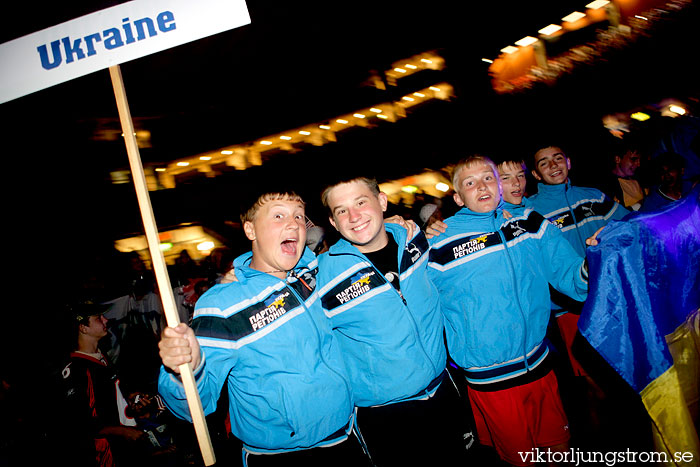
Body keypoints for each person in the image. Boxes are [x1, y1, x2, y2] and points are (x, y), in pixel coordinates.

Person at [157, 189, 371, 467]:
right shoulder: (223, 304)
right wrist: (184, 369)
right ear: (250, 229)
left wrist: (397, 224)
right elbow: (193, 406)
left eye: (298, 216)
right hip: (284, 456)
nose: (293, 223)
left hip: (347, 436)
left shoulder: (313, 272)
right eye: (278, 216)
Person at [427, 155, 589, 467]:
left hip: (541, 364)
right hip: (492, 379)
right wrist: (399, 231)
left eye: (488, 178)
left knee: (560, 449)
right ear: (458, 197)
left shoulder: (529, 221)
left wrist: (597, 259)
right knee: (521, 462)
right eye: (470, 183)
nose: (481, 187)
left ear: (500, 185)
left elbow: (570, 275)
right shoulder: (438, 242)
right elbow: (414, 303)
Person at [317, 176, 475, 467]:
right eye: (341, 210)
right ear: (333, 222)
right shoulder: (321, 277)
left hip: (444, 393)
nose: (354, 217)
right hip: (386, 416)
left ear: (381, 202)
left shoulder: (415, 239)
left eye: (361, 202)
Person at [528, 144, 629, 374]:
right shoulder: (530, 211)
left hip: (613, 298)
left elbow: (629, 227)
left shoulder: (593, 196)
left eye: (557, 158)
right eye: (544, 162)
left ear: (569, 162)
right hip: (569, 308)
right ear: (535, 174)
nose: (553, 165)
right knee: (590, 376)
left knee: (625, 367)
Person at [62, 299, 161, 467]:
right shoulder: (79, 370)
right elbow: (80, 424)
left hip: (121, 448)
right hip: (104, 455)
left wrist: (130, 401)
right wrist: (124, 432)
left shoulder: (101, 357)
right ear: (83, 328)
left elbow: (106, 403)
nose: (106, 320)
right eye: (99, 318)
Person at [598, 136, 649, 211]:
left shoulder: (640, 179)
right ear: (617, 159)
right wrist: (639, 204)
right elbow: (615, 215)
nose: (638, 164)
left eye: (639, 160)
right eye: (633, 159)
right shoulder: (607, 186)